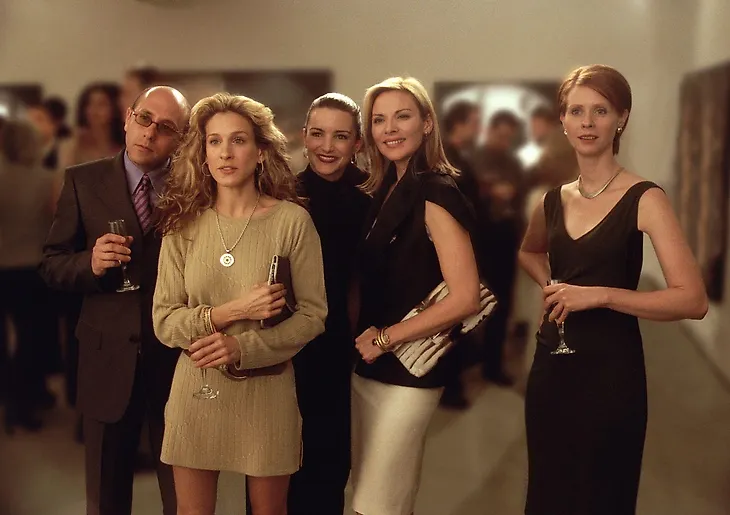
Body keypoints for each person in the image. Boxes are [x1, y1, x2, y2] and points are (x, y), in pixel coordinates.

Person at [519, 64, 708, 515]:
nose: (587, 122)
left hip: (611, 373)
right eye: (576, 111)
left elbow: (693, 299)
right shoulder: (553, 200)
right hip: (551, 367)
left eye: (600, 111)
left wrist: (601, 295)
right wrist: (553, 287)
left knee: (601, 496)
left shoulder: (645, 198)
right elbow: (529, 252)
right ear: (563, 120)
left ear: (621, 118)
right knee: (547, 492)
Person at [152, 92, 327, 515]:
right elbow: (164, 321)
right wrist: (233, 312)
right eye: (214, 141)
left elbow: (313, 315)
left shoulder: (292, 221)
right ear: (203, 153)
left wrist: (241, 348)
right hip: (197, 388)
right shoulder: (182, 225)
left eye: (238, 140)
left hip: (267, 390)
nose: (225, 153)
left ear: (261, 151)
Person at [40, 86, 190, 515]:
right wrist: (90, 263)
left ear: (180, 140)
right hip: (106, 357)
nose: (150, 133)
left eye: (165, 128)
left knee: (183, 498)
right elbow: (52, 265)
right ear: (127, 118)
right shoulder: (82, 180)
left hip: (176, 361)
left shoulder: (194, 188)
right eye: (144, 119)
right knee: (107, 498)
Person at [351, 77, 480, 515]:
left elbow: (465, 298)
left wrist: (385, 338)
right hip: (369, 365)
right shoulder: (384, 188)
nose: (389, 128)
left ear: (427, 123)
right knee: (380, 496)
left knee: (377, 502)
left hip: (409, 368)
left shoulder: (436, 191)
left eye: (402, 116)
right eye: (379, 120)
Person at [286, 93, 371, 515]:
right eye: (317, 134)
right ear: (304, 136)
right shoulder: (284, 195)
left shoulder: (373, 197)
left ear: (358, 142)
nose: (327, 146)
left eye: (340, 136)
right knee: (281, 463)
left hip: (345, 346)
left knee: (331, 463)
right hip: (287, 345)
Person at [0, 119, 56, 433]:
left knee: (8, 340)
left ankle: (12, 399)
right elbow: (55, 223)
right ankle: (25, 403)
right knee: (30, 339)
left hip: (3, 267)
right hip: (33, 267)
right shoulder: (46, 179)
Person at [59, 82, 125, 169]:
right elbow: (64, 175)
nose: (94, 110)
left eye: (101, 104)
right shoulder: (75, 143)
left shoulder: (124, 145)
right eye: (89, 104)